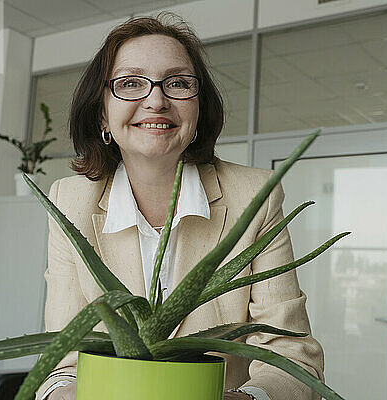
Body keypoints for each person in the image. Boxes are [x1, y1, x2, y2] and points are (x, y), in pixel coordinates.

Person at [36, 12, 324, 400]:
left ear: (198, 108)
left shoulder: (255, 196)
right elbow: (63, 359)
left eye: (178, 83)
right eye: (131, 83)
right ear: (102, 112)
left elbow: (294, 356)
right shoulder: (70, 201)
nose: (156, 100)